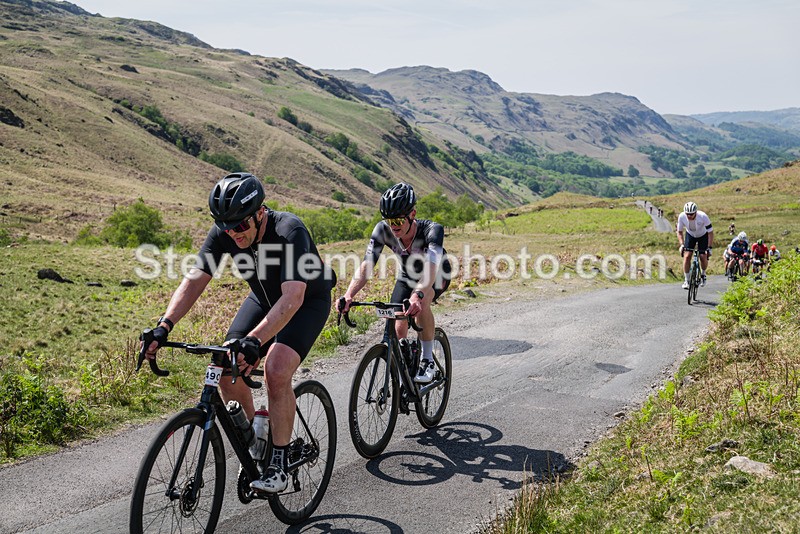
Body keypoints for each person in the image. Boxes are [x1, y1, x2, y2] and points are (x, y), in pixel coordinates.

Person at [142, 172, 336, 494]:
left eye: (240, 226)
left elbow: (292, 298)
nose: (233, 234)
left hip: (305, 303)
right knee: (224, 365)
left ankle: (278, 462)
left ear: (259, 212)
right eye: (226, 227)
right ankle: (258, 445)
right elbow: (194, 280)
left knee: (275, 369)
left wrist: (255, 342)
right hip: (263, 300)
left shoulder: (289, 231)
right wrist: (164, 325)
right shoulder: (225, 231)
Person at [339, 183, 451, 383]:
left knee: (422, 303)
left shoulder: (432, 231)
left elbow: (431, 267)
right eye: (389, 220)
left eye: (398, 219)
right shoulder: (382, 230)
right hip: (407, 276)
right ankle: (406, 366)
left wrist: (418, 295)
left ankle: (427, 361)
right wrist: (349, 295)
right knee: (397, 326)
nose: (393, 225)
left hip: (436, 274)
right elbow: (367, 264)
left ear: (412, 214)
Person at [676, 201, 714, 289]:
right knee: (687, 256)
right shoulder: (682, 216)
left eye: (691, 214)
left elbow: (710, 233)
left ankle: (703, 275)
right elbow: (680, 232)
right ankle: (686, 280)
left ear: (696, 212)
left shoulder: (703, 216)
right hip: (690, 235)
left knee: (702, 256)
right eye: (687, 214)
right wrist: (681, 244)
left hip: (703, 236)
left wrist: (709, 247)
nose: (689, 216)